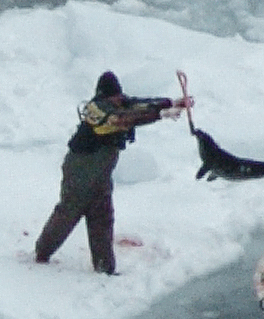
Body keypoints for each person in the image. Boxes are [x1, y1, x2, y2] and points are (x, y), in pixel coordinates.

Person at [35, 71, 191, 274]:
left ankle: (105, 268)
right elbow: (121, 119)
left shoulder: (120, 103)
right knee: (68, 213)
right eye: (114, 96)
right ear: (104, 95)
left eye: (119, 95)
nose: (119, 99)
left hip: (100, 175)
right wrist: (159, 115)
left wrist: (171, 103)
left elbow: (139, 105)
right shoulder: (96, 110)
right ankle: (42, 253)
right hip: (79, 172)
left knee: (102, 216)